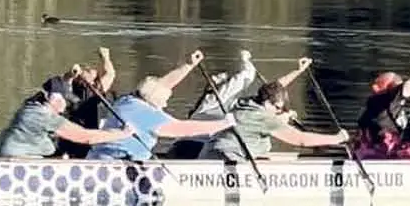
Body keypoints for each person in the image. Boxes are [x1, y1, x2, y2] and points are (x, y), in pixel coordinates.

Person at [87, 51, 236, 161]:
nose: (165, 104)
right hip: (119, 165)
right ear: (154, 100)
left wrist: (188, 65)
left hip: (96, 157)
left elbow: (162, 85)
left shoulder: (128, 100)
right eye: (164, 100)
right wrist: (223, 124)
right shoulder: (147, 114)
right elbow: (185, 129)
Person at [200, 59, 351, 160]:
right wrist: (337, 138)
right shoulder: (264, 118)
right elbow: (301, 140)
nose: (280, 111)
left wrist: (298, 71)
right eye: (278, 108)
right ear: (267, 103)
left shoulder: (246, 102)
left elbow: (273, 88)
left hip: (209, 155)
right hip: (227, 162)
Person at [0, 77, 139, 158]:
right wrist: (122, 133)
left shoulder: (31, 105)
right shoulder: (44, 116)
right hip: (16, 161)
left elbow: (56, 83)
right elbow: (86, 137)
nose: (65, 104)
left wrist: (71, 76)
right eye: (64, 99)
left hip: (5, 154)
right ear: (53, 99)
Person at [166, 51, 260, 159]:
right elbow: (246, 76)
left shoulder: (204, 104)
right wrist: (245, 59)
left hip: (176, 148)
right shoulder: (216, 99)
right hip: (194, 147)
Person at [356, 54, 410, 156]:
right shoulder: (388, 98)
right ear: (393, 87)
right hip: (384, 152)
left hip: (369, 151)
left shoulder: (372, 105)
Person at [53, 48, 117, 158]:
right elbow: (65, 79)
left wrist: (105, 57)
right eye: (85, 71)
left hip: (88, 134)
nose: (87, 72)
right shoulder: (70, 89)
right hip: (71, 132)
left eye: (90, 71)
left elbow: (110, 74)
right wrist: (71, 73)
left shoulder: (97, 90)